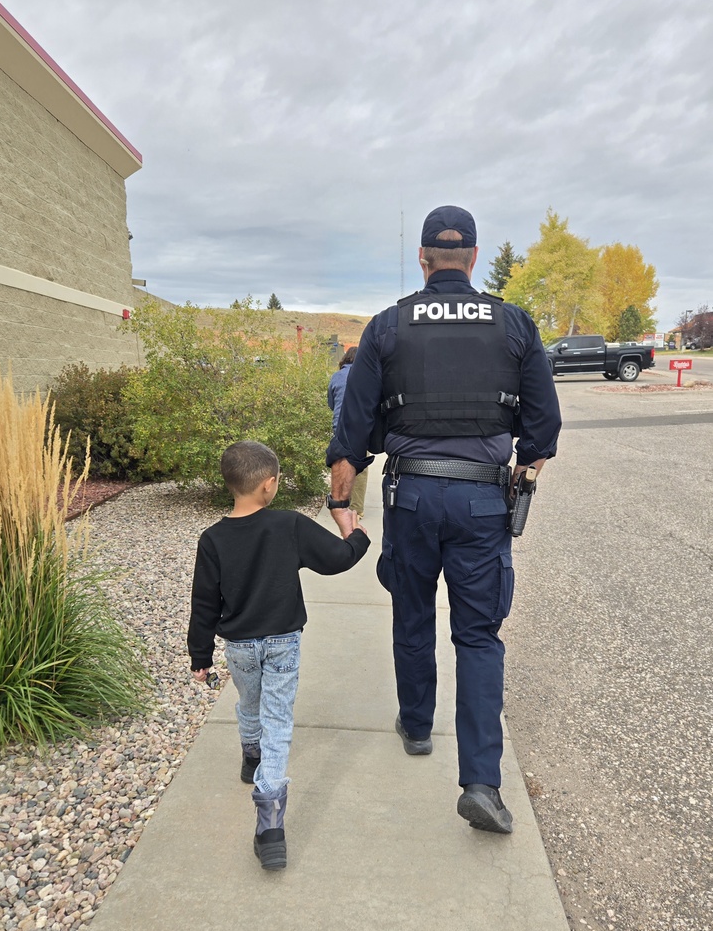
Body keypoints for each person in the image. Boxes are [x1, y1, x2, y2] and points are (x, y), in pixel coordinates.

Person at [326, 205, 561, 835]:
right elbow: (543, 431)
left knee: (411, 610)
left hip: (411, 498)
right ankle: (482, 782)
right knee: (479, 635)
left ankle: (416, 723)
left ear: (425, 260)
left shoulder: (387, 326)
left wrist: (340, 501)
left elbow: (353, 427)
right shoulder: (512, 324)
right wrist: (523, 477)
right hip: (483, 500)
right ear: (475, 258)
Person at [188, 441, 369, 869]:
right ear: (269, 485)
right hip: (283, 642)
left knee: (249, 701)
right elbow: (339, 560)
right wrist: (355, 532)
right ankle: (269, 820)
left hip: (239, 646)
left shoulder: (212, 540)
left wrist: (201, 657)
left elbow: (204, 604)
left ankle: (252, 755)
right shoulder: (289, 526)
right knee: (278, 717)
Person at [327, 346, 369, 518]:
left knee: (339, 464)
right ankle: (356, 509)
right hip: (360, 428)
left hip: (339, 427)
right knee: (359, 468)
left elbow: (331, 403)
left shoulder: (336, 376)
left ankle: (339, 503)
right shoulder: (366, 376)